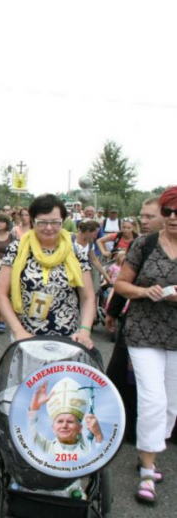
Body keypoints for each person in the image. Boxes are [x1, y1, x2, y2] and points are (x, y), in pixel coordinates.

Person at [112, 186, 177, 504]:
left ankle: (149, 451)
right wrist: (145, 291)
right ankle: (148, 471)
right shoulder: (145, 243)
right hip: (144, 332)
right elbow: (121, 283)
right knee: (152, 398)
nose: (173, 217)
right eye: (168, 211)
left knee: (171, 404)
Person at [0, 194, 95, 348]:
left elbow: (87, 297)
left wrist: (85, 331)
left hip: (69, 339)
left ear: (63, 221)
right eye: (42, 222)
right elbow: (0, 294)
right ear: (32, 221)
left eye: (55, 222)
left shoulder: (76, 251)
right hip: (27, 337)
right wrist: (18, 331)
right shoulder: (16, 249)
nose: (49, 228)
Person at [104, 197, 164, 445]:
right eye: (143, 216)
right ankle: (122, 423)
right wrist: (112, 311)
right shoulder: (142, 245)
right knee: (122, 374)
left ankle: (162, 431)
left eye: (150, 216)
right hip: (138, 320)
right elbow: (124, 281)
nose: (144, 221)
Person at [28, 379, 103, 456]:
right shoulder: (44, 448)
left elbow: (100, 461)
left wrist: (98, 436)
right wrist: (34, 409)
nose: (64, 425)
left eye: (70, 421)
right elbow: (28, 434)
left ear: (80, 428)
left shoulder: (88, 454)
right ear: (53, 428)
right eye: (60, 421)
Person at [73, 219, 112, 287]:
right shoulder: (71, 238)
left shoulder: (90, 243)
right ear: (88, 231)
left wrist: (106, 276)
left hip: (83, 274)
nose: (96, 236)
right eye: (95, 233)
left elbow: (94, 260)